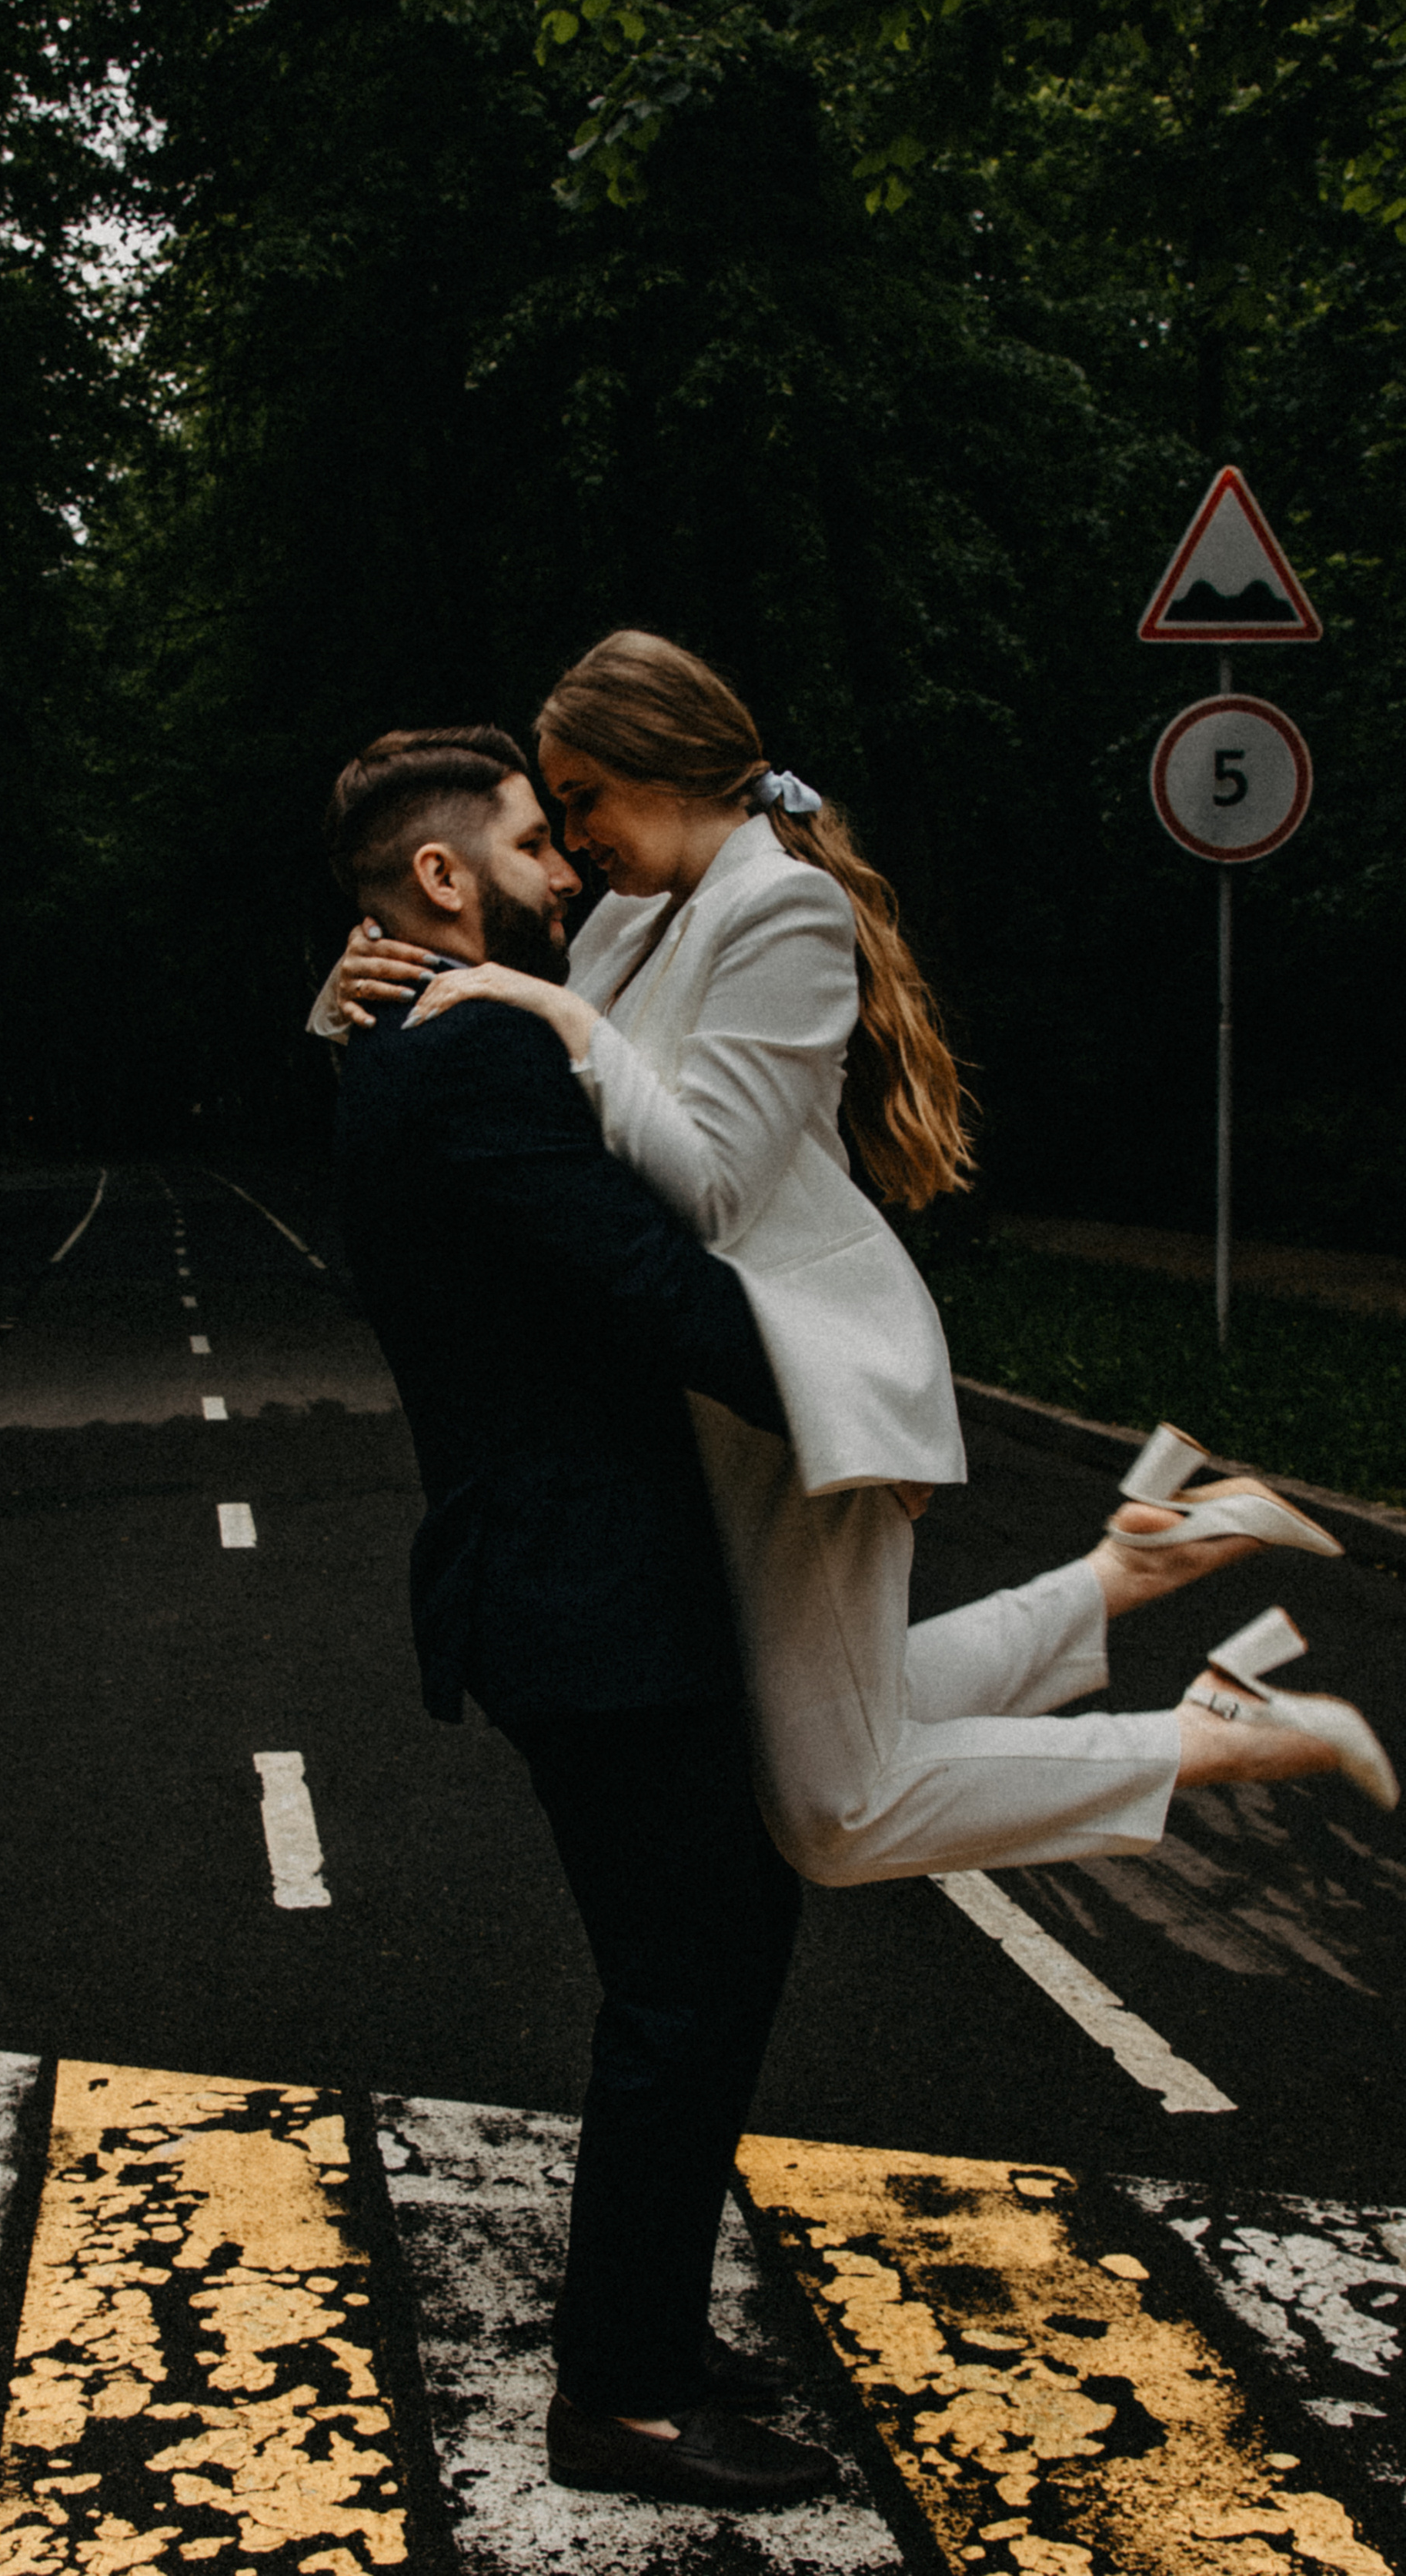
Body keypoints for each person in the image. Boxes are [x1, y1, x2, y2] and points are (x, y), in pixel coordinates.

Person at [316, 634, 1395, 1878]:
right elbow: (483, 1033)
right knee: (824, 1725)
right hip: (729, 1391)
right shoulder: (629, 919)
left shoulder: (784, 905)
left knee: (835, 1814)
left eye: (583, 800)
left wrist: (562, 1016)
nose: (572, 845)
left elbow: (710, 1185)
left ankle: (1211, 1735)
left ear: (662, 765)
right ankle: (1120, 1573)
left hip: (805, 1367)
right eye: (555, 815)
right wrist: (358, 983)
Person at [322, 724, 838, 2511]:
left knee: (703, 1957)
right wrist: (858, 1401)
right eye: (536, 846)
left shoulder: (400, 1037)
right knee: (689, 1981)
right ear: (445, 877)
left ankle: (651, 2337)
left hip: (567, 1579)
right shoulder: (469, 1061)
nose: (567, 874)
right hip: (585, 1586)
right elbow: (644, 1290)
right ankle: (618, 2399)